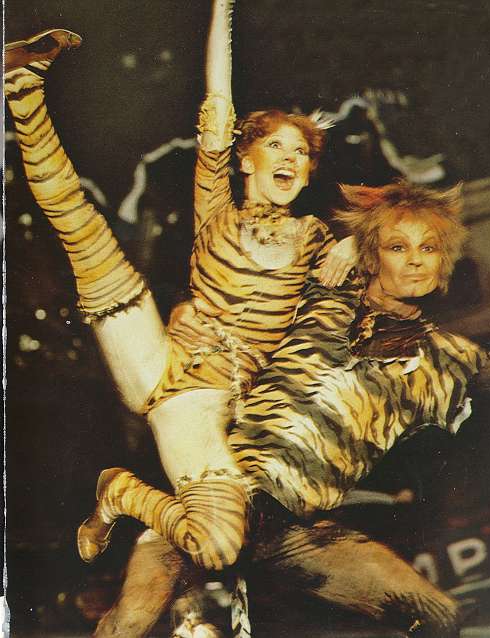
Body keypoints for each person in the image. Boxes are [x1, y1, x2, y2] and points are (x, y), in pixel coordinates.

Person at [4, 0, 356, 574]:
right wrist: (222, 6)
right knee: (76, 220)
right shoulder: (216, 206)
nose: (291, 158)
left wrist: (356, 243)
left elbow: (386, 270)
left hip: (201, 402)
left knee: (218, 547)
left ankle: (121, 492)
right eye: (276, 146)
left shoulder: (317, 239)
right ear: (246, 159)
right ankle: (23, 85)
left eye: (301, 153)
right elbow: (218, 98)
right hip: (155, 349)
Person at [93, 180, 487, 638]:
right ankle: (127, 497)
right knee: (129, 623)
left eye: (429, 248)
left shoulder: (449, 358)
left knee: (440, 618)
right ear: (372, 254)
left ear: (445, 260)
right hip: (214, 500)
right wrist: (185, 310)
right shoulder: (320, 293)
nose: (415, 260)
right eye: (397, 247)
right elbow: (228, 293)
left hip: (296, 532)